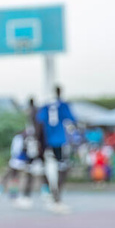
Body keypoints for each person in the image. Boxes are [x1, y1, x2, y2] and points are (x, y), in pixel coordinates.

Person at [36, 85, 76, 213]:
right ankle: (56, 198)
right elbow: (73, 120)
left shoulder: (46, 106)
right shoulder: (63, 105)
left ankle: (51, 195)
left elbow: (39, 121)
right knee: (62, 169)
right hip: (59, 141)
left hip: (47, 142)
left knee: (48, 169)